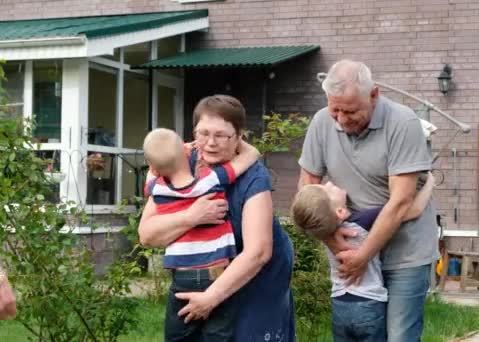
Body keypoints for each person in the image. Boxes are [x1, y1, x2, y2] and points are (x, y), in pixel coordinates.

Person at [298, 59, 440, 341]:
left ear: (374, 94)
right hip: (350, 249)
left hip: (405, 253)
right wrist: (336, 244)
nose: (340, 119)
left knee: (399, 336)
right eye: (334, 109)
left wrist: (363, 255)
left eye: (350, 111)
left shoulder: (403, 122)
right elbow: (307, 188)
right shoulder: (321, 122)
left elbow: (401, 203)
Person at [138, 95, 295, 342]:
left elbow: (258, 253)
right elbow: (147, 235)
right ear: (192, 134)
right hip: (210, 270)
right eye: (203, 133)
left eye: (221, 135)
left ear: (238, 137)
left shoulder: (254, 175)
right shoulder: (178, 163)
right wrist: (192, 216)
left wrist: (210, 298)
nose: (210, 143)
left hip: (257, 273)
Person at [142, 127, 260, 341]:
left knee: (179, 334)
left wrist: (174, 153)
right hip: (217, 274)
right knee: (218, 334)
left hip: (182, 276)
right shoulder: (211, 180)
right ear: (185, 153)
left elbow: (152, 173)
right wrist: (234, 137)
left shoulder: (156, 189)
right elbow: (251, 155)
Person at [291, 174, 434, 342]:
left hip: (339, 305)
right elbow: (412, 210)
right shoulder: (361, 222)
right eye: (328, 190)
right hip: (369, 304)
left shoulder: (323, 232)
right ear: (340, 211)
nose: (329, 182)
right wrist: (429, 183)